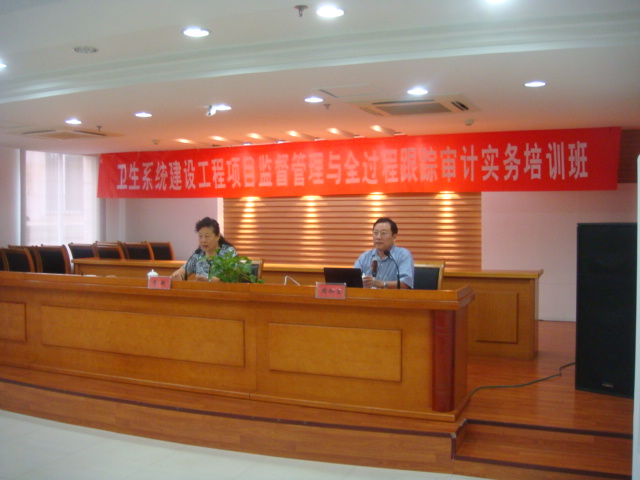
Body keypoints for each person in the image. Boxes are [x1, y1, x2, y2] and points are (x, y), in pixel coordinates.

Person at [354, 217, 414, 289]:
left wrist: (382, 284)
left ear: (394, 237)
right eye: (376, 233)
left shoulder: (403, 255)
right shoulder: (364, 257)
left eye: (383, 233)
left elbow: (406, 283)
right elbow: (353, 281)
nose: (378, 237)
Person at [171, 217, 237, 282]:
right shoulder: (197, 254)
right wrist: (178, 275)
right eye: (200, 236)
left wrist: (210, 280)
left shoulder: (228, 252)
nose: (203, 240)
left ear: (217, 237)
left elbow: (233, 277)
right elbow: (182, 271)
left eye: (207, 236)